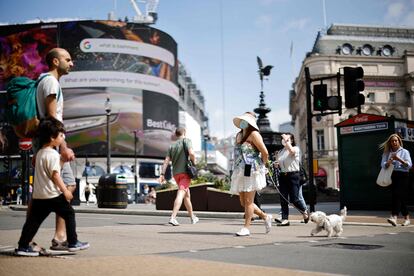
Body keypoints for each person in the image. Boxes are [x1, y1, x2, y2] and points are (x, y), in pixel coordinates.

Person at [15, 117, 89, 256]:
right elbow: (55, 176)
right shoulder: (54, 154)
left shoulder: (39, 154)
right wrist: (65, 191)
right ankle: (73, 242)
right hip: (53, 195)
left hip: (39, 196)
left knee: (33, 222)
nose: (63, 137)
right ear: (52, 138)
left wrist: (62, 162)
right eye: (61, 135)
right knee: (69, 213)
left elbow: (50, 171)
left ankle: (23, 246)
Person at [34, 47, 76, 250]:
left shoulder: (44, 81)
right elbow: (52, 118)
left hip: (46, 143)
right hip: (52, 144)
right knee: (68, 184)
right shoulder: (50, 82)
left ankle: (31, 238)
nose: (72, 63)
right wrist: (64, 147)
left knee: (41, 193)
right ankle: (60, 238)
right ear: (55, 62)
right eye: (68, 59)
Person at [230, 112, 272, 236]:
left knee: (248, 201)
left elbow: (265, 152)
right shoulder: (239, 135)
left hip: (252, 170)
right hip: (240, 170)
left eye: (245, 120)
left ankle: (246, 228)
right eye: (242, 120)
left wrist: (265, 166)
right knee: (243, 202)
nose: (243, 122)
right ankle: (265, 216)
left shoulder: (254, 134)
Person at [158, 127, 199, 226]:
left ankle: (192, 217)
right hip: (185, 173)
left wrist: (162, 174)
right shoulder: (187, 141)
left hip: (176, 174)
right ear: (185, 132)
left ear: (176, 135)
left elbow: (166, 161)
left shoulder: (172, 146)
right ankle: (173, 217)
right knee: (181, 194)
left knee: (187, 196)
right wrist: (194, 162)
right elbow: (192, 153)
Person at [274, 133, 309, 226]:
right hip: (283, 175)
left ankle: (304, 211)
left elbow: (292, 151)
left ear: (292, 141)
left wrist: (286, 141)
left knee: (294, 199)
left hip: (293, 175)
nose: (284, 140)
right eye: (284, 139)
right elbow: (279, 163)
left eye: (287, 139)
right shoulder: (281, 151)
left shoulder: (295, 149)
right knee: (283, 198)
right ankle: (285, 219)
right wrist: (276, 164)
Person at [379, 133, 412, 227]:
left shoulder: (405, 152)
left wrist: (398, 159)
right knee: (398, 197)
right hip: (392, 174)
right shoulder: (386, 152)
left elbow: (409, 165)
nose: (394, 142)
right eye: (392, 141)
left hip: (403, 175)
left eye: (396, 140)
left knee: (397, 195)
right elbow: (383, 165)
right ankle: (407, 218)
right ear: (390, 142)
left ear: (399, 142)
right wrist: (388, 162)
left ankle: (394, 217)